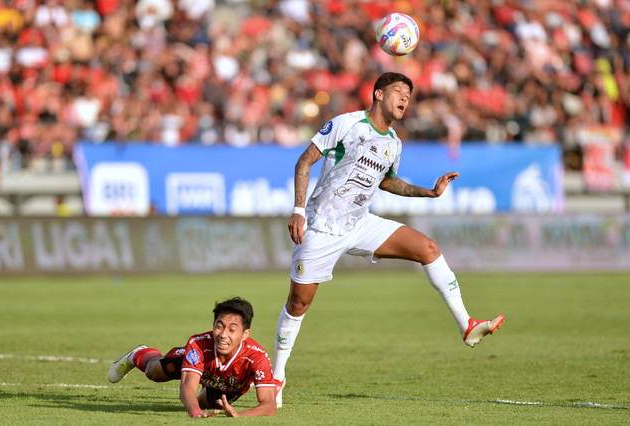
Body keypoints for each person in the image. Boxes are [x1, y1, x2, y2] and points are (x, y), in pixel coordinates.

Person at [273, 72, 505, 408]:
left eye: (408, 96)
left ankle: (466, 325)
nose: (404, 99)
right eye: (398, 91)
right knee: (298, 304)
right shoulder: (347, 124)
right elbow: (305, 160)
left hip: (360, 222)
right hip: (322, 226)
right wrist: (298, 210)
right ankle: (277, 377)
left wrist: (429, 192)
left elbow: (388, 182)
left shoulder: (393, 142)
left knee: (428, 249)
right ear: (378, 94)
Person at [107, 297, 276, 418]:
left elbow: (269, 405)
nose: (223, 335)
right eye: (219, 326)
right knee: (153, 372)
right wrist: (195, 412)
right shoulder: (199, 345)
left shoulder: (257, 357)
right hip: (200, 365)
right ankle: (139, 354)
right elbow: (187, 388)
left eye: (232, 330)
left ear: (245, 334)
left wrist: (239, 414)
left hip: (226, 386)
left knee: (205, 404)